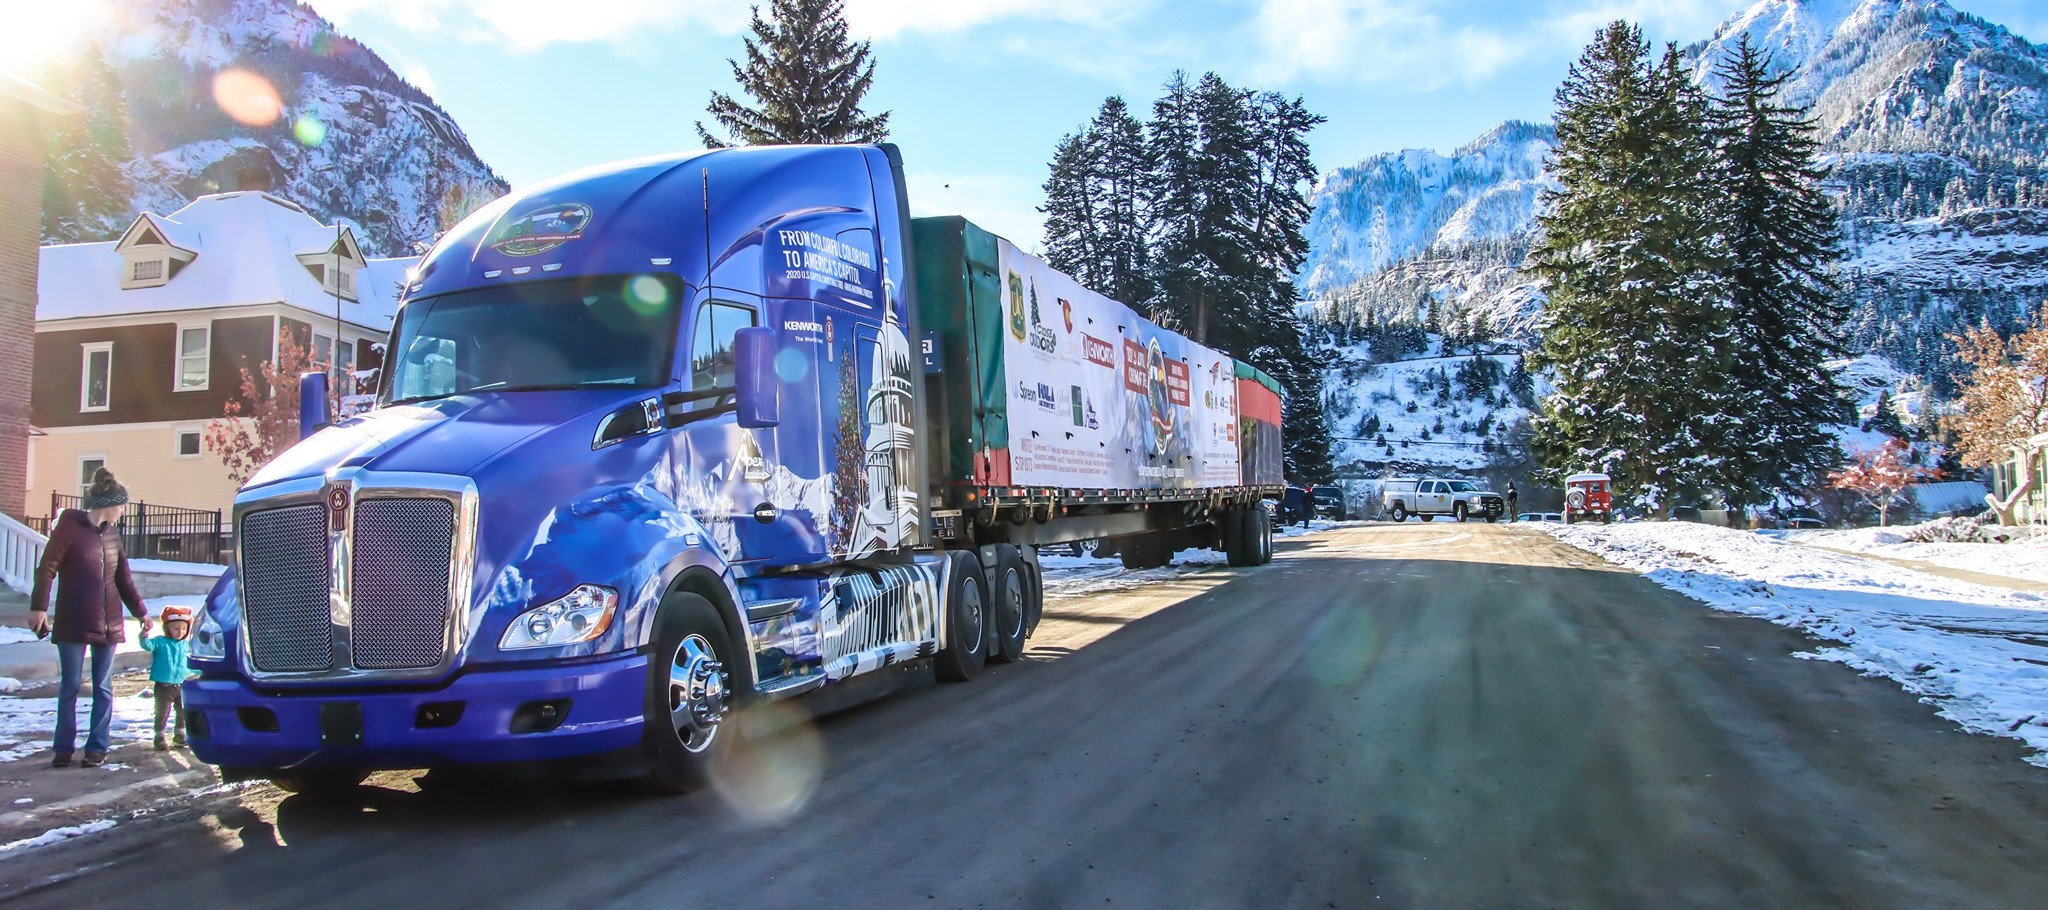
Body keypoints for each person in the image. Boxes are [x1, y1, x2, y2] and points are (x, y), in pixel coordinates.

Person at [28, 468, 152, 768]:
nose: (123, 511)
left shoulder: (112, 535)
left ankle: (97, 747)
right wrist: (39, 608)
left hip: (108, 624)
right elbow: (47, 568)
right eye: (121, 505)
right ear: (108, 504)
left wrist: (141, 612)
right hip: (73, 620)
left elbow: (124, 579)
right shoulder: (68, 528)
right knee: (70, 686)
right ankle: (63, 748)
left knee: (104, 687)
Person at [140, 605, 198, 750]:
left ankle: (179, 735)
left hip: (182, 685)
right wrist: (144, 634)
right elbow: (146, 645)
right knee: (162, 712)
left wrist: (200, 673)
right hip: (163, 687)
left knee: (183, 711)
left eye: (183, 629)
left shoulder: (187, 646)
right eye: (176, 629)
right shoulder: (160, 642)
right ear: (167, 629)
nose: (180, 632)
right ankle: (159, 736)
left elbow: (193, 663)